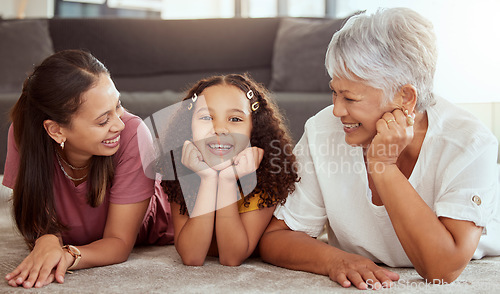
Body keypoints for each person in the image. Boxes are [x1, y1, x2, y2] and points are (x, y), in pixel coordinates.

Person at [259, 7, 500, 290]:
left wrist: (383, 167)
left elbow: (442, 269)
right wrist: (334, 260)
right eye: (334, 91)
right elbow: (277, 237)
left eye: (350, 98)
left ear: (405, 96)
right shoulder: (322, 130)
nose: (336, 110)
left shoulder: (469, 142)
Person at [3, 49, 174, 289]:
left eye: (118, 105)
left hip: (160, 227)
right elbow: (33, 208)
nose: (119, 123)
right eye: (103, 120)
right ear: (56, 130)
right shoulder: (24, 134)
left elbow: (119, 243)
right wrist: (46, 239)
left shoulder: (133, 134)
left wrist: (66, 255)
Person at [155, 74, 298, 266]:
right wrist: (207, 179)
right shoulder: (181, 166)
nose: (220, 129)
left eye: (235, 118)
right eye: (206, 117)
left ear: (254, 128)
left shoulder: (268, 172)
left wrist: (227, 181)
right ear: (190, 126)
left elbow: (231, 257)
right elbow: (192, 256)